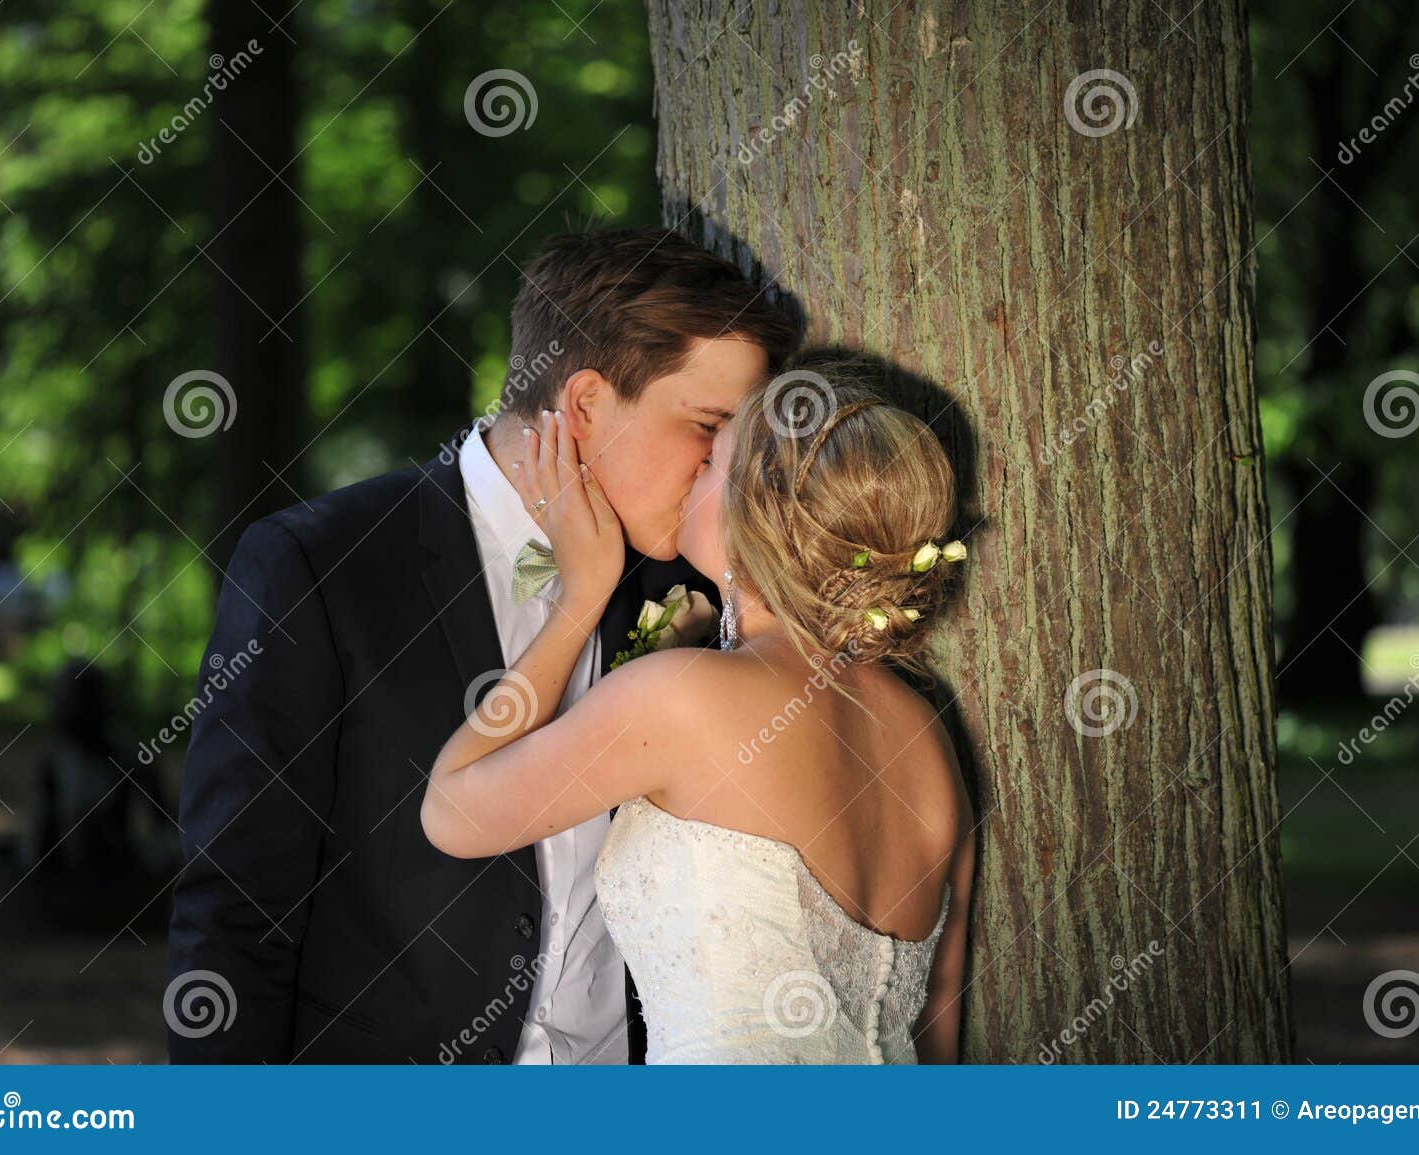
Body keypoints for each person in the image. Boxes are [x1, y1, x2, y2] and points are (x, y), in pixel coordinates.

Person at [166, 227, 801, 1063]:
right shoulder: (319, 566)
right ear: (585, 404)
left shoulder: (700, 586)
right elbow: (238, 909)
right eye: (708, 428)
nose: (728, 469)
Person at [422, 353, 975, 1063]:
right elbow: (939, 1025)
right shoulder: (928, 739)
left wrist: (582, 596)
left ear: (754, 513)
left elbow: (453, 812)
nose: (691, 474)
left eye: (712, 460)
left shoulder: (683, 696)